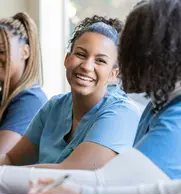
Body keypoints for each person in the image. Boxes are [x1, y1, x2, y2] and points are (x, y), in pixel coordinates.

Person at [26, 0, 181, 194]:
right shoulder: (156, 107)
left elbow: (106, 182)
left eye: (131, 47)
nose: (126, 58)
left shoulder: (173, 117)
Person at [0, 15, 140, 170]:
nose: (87, 66)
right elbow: (12, 160)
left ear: (113, 74)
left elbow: (69, 174)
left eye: (100, 61)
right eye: (81, 54)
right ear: (67, 59)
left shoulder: (122, 114)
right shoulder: (55, 107)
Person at [0, 12, 47, 153]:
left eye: (1, 50)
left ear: (25, 52)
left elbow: (2, 158)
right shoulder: (5, 98)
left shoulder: (30, 100)